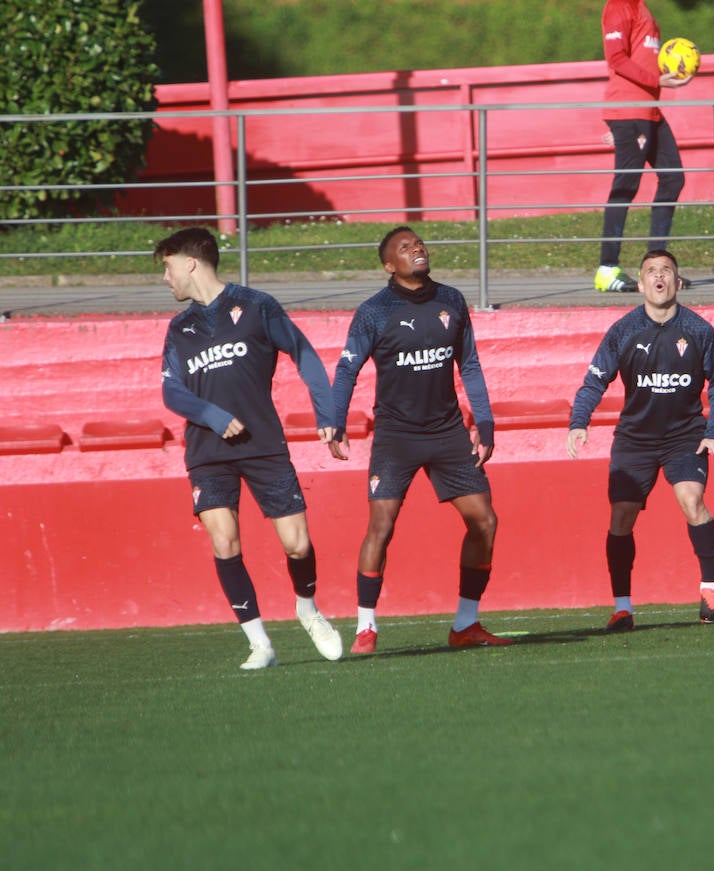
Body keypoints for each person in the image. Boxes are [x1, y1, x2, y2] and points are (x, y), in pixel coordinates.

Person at [156, 227, 343, 670]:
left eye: (166, 267)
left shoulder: (258, 306)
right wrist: (213, 416)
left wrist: (328, 414)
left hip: (263, 444)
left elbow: (305, 355)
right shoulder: (179, 328)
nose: (165, 279)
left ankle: (308, 609)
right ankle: (259, 642)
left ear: (190, 262)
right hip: (207, 451)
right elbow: (171, 392)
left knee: (297, 545)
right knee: (224, 542)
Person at [330, 227, 507, 653]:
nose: (417, 250)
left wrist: (484, 422)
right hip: (396, 436)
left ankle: (465, 624)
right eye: (404, 248)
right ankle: (365, 628)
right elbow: (347, 369)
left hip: (447, 431)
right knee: (382, 526)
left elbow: (471, 366)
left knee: (485, 521)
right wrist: (335, 420)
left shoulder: (452, 300)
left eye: (419, 244)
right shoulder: (374, 311)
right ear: (389, 265)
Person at [567, 249, 714, 631]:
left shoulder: (699, 330)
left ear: (677, 282)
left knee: (693, 502)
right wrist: (580, 421)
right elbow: (594, 380)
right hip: (635, 439)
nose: (659, 277)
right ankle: (622, 607)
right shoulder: (624, 331)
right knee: (621, 517)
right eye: (651, 272)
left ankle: (712, 595)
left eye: (667, 271)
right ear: (640, 284)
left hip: (684, 436)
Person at [592, 0, 694, 293]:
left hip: (649, 111)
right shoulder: (619, 6)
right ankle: (607, 270)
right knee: (626, 185)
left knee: (673, 178)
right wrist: (658, 79)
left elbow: (645, 56)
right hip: (628, 111)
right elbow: (616, 59)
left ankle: (657, 268)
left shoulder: (643, 8)